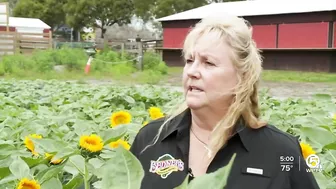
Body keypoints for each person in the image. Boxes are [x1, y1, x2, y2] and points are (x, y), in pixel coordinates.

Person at [130, 14, 320, 189]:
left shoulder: (280, 151)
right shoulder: (150, 139)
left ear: (241, 77)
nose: (192, 71)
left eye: (208, 63)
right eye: (189, 60)